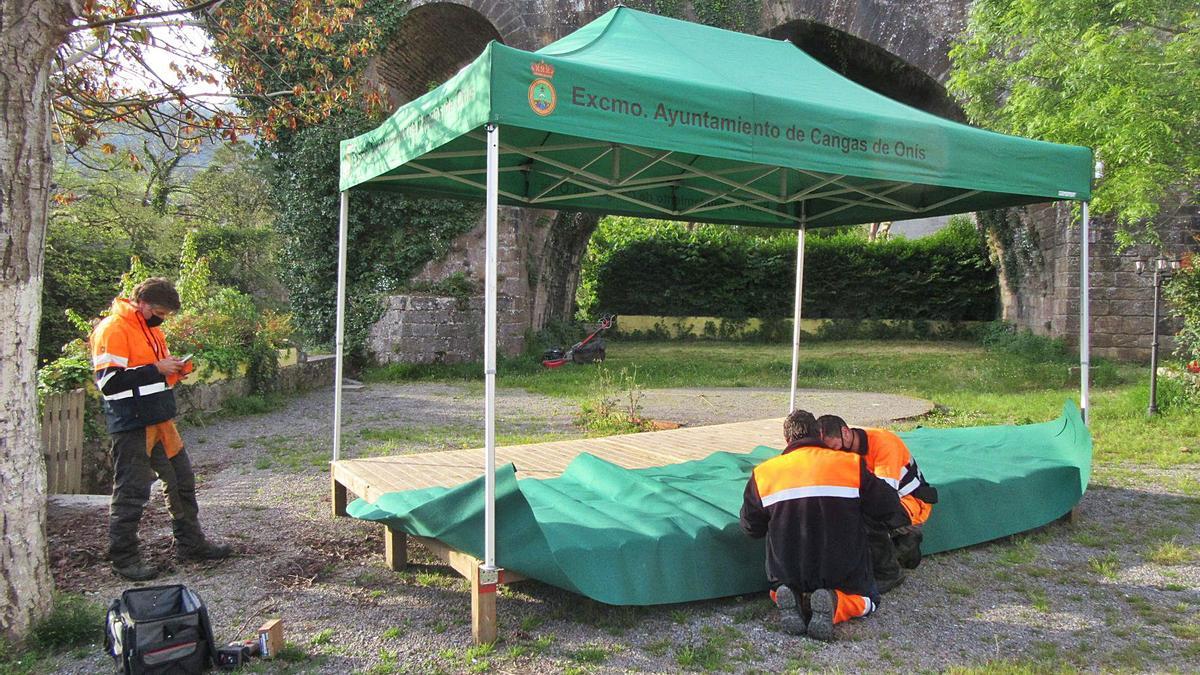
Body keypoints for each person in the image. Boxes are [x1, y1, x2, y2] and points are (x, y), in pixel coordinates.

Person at [91, 277, 231, 581]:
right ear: (141, 304)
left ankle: (190, 544)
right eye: (159, 313)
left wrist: (173, 369)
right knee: (131, 491)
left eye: (166, 315)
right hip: (131, 424)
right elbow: (109, 383)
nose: (162, 319)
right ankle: (124, 559)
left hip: (160, 419)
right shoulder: (113, 329)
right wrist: (156, 368)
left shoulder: (149, 329)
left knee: (182, 480)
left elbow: (149, 375)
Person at [740, 409, 909, 641]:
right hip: (843, 570)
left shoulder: (763, 473)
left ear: (787, 440)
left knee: (780, 583)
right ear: (818, 434)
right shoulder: (850, 464)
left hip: (789, 571)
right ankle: (837, 603)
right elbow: (888, 505)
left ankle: (786, 596)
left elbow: (751, 528)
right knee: (868, 599)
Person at [817, 415, 938, 593]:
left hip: (910, 502)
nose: (834, 454)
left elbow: (884, 498)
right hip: (884, 500)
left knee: (863, 518)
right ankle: (903, 546)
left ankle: (889, 573)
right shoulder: (841, 450)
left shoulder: (884, 443)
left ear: (845, 432)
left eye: (835, 447)